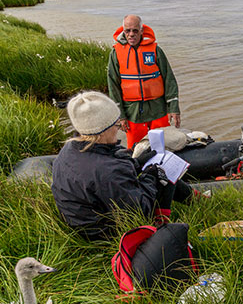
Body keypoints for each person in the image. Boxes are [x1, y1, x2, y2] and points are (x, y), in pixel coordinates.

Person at [51, 91, 192, 240]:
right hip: (106, 234)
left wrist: (137, 162)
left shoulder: (70, 149)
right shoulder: (107, 170)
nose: (119, 128)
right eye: (116, 124)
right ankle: (161, 227)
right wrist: (150, 176)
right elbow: (140, 209)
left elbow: (108, 176)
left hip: (85, 224)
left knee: (156, 170)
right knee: (162, 174)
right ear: (102, 130)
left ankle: (196, 199)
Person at [108, 14, 180, 150]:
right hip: (132, 113)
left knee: (163, 147)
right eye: (127, 31)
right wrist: (120, 116)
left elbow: (169, 79)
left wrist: (174, 108)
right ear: (123, 31)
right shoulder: (115, 53)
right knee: (135, 150)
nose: (131, 34)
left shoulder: (155, 50)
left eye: (135, 30)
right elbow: (113, 86)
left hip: (158, 110)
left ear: (142, 31)